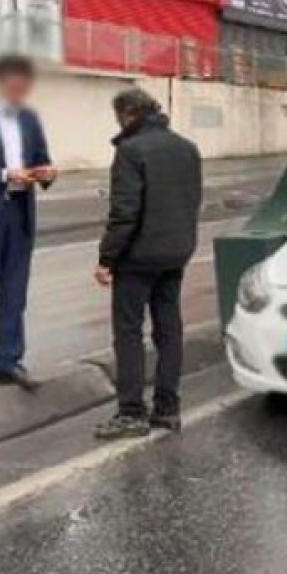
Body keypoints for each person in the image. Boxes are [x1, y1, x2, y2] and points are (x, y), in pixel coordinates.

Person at [94, 89, 202, 440]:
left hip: (138, 258)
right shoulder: (187, 148)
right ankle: (168, 409)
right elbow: (193, 201)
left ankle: (131, 413)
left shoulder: (130, 151)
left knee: (128, 332)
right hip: (175, 253)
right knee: (169, 329)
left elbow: (125, 213)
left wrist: (107, 258)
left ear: (127, 115)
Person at [0, 54, 56, 396]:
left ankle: (8, 363)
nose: (21, 90)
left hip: (20, 214)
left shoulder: (29, 117)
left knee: (15, 295)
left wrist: (47, 172)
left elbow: (41, 157)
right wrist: (5, 175)